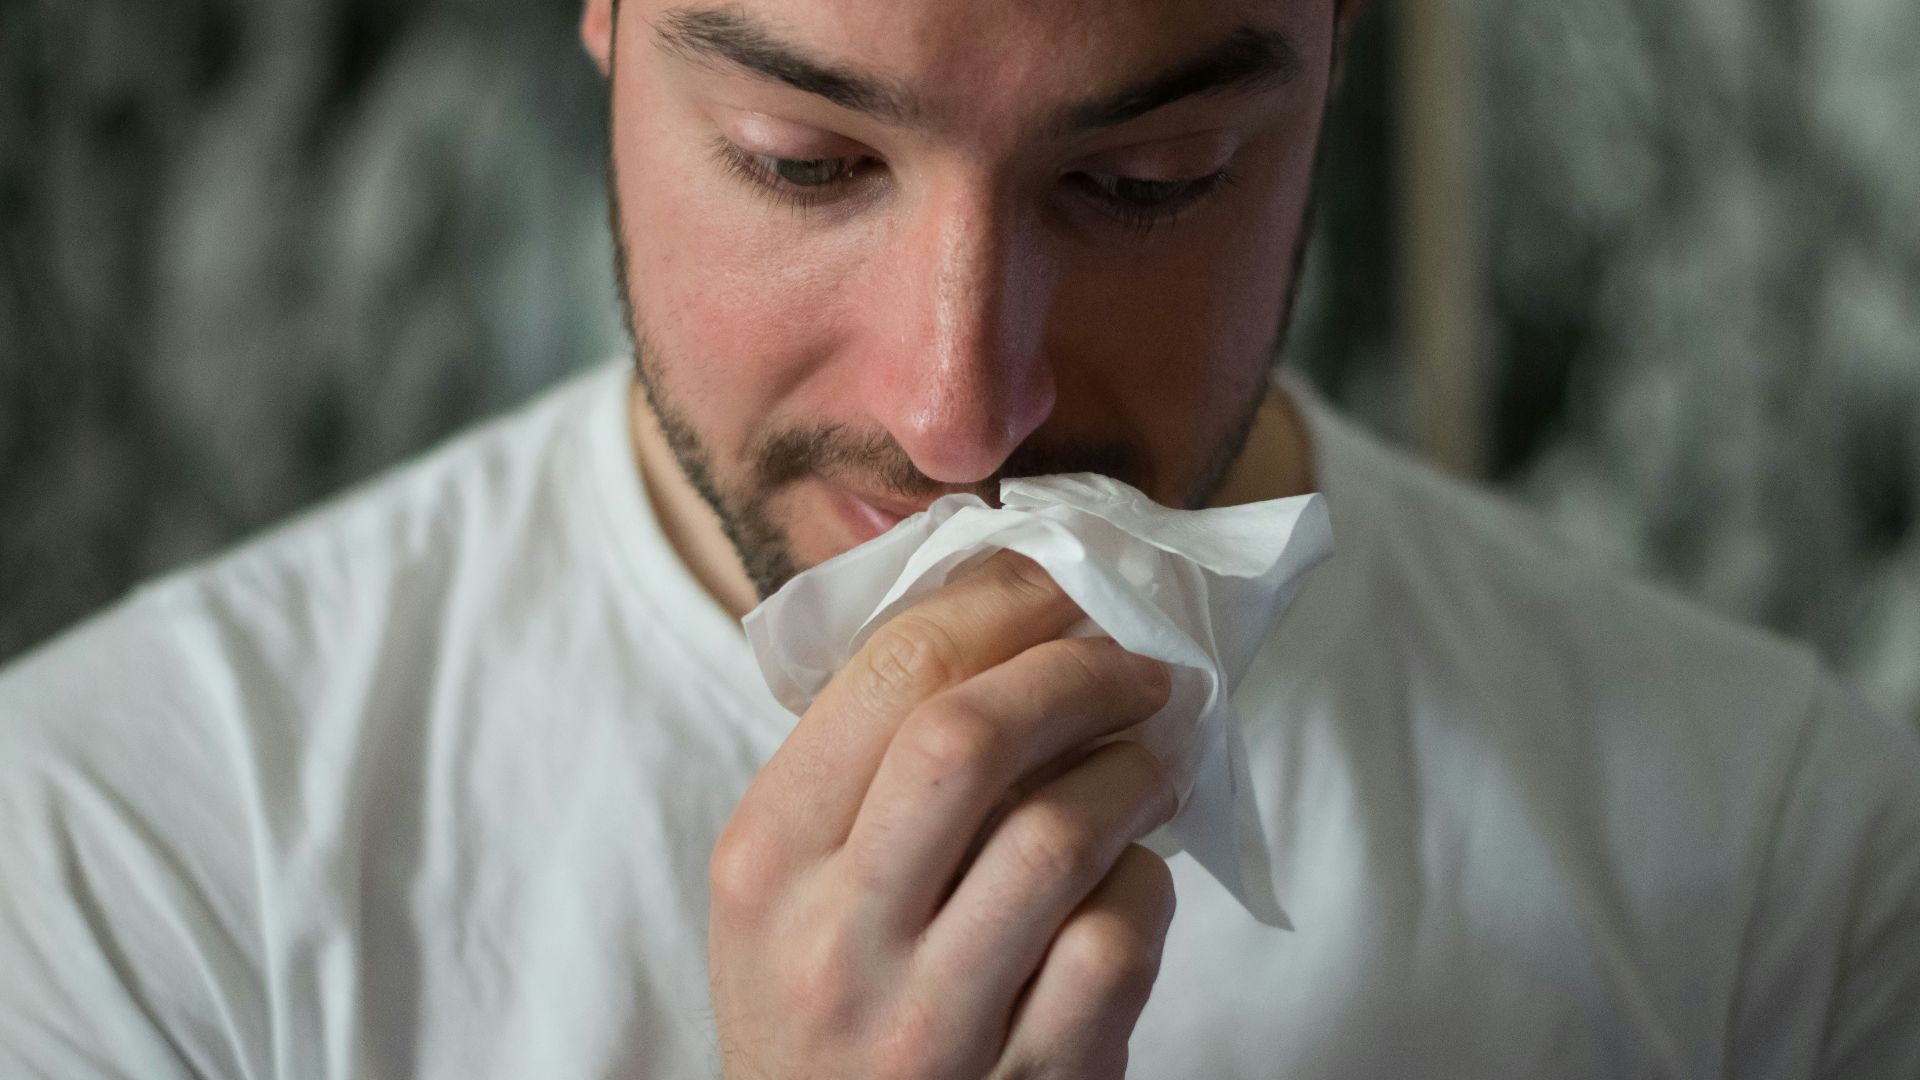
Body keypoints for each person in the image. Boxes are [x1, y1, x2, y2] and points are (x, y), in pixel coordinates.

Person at [2, 0, 1916, 1076]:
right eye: (807, 163)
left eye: (1144, 184)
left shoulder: (1784, 873)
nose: (960, 412)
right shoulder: (126, 866)